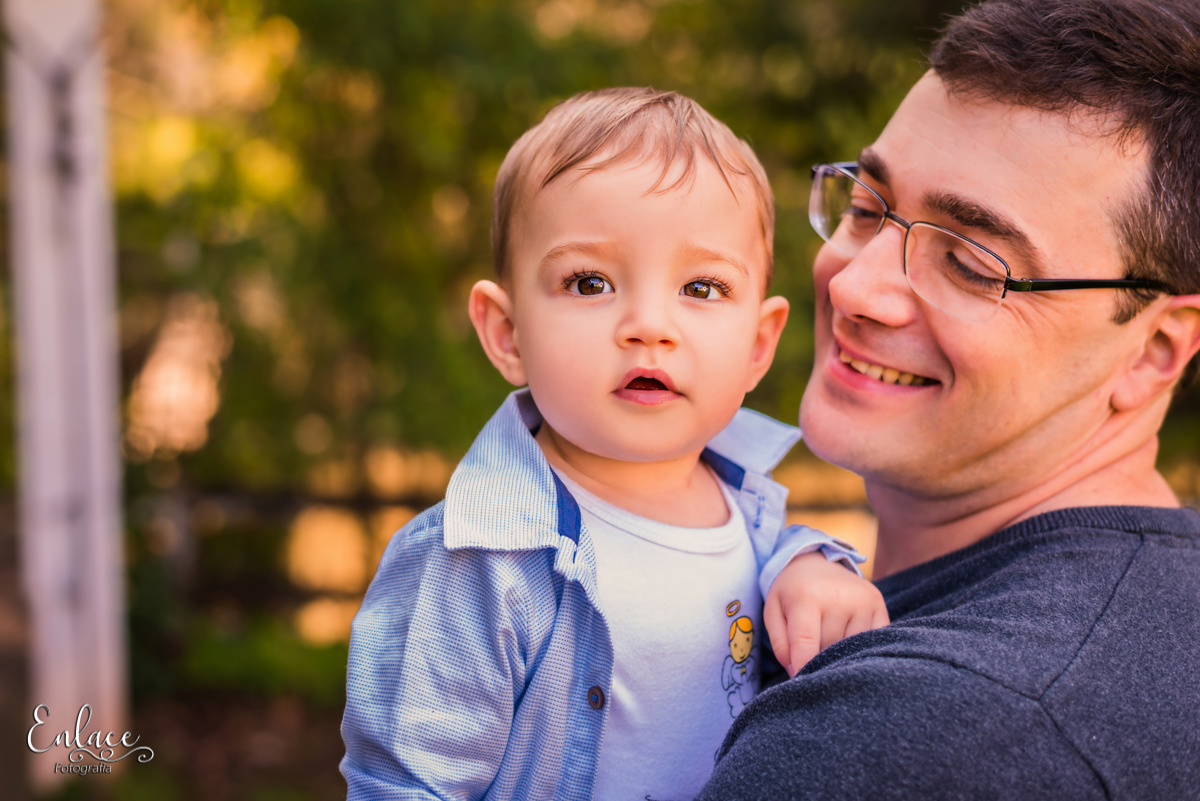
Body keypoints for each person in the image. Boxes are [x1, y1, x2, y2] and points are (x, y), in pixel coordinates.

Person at [698, 1, 1200, 798]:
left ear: (1154, 349)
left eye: (971, 262)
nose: (856, 286)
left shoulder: (911, 735)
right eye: (866, 208)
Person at [340, 87, 889, 801]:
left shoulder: (751, 517)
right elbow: (407, 785)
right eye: (590, 281)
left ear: (758, 344)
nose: (648, 325)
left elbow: (762, 556)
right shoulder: (478, 561)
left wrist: (810, 564)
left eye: (701, 285)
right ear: (507, 334)